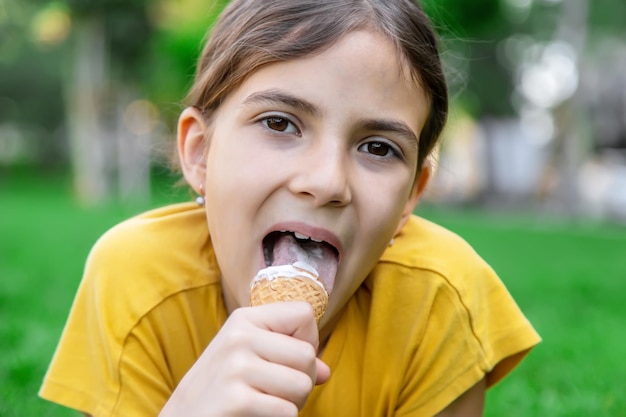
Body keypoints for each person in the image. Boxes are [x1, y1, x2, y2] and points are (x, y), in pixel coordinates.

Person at [39, 0, 541, 415]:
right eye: (280, 123)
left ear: (411, 196)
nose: (326, 183)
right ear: (200, 153)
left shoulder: (439, 299)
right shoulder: (136, 281)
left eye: (379, 147)